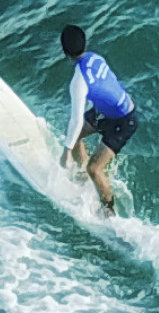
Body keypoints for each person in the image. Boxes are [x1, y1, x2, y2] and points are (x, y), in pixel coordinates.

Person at [59, 24, 138, 212]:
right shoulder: (95, 57)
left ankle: (109, 211)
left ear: (65, 52)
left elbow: (76, 120)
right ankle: (83, 174)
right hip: (107, 112)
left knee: (95, 168)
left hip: (125, 120)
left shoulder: (78, 81)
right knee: (75, 136)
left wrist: (66, 152)